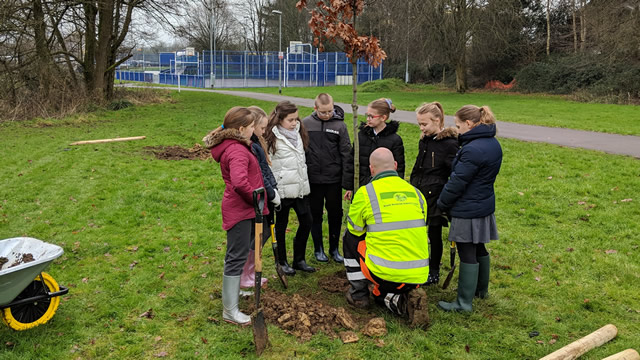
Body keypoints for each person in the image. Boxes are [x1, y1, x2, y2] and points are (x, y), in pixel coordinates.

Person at [342, 148, 430, 327]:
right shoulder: (416, 193)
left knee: (349, 238)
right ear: (395, 166)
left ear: (372, 169)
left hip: (384, 273)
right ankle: (401, 301)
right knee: (382, 294)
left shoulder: (366, 193)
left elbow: (355, 230)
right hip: (418, 274)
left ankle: (359, 295)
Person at [203, 106, 267, 326]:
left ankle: (233, 297)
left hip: (244, 208)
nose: (253, 130)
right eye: (251, 127)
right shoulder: (237, 150)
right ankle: (230, 311)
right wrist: (255, 199)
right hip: (240, 209)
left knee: (237, 253)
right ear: (241, 129)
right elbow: (240, 182)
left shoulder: (234, 145)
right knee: (236, 256)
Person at [436, 105, 502, 312]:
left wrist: (442, 203)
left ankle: (463, 303)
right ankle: (481, 291)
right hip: (483, 204)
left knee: (467, 251)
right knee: (480, 247)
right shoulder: (492, 143)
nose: (457, 130)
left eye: (458, 126)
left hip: (467, 207)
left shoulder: (472, 149)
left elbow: (457, 182)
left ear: (469, 124)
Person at [409, 102, 459, 286]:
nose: (421, 128)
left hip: (437, 196)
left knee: (435, 234)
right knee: (418, 232)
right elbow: (418, 165)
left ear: (437, 120)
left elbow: (454, 172)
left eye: (424, 124)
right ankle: (418, 264)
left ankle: (434, 269)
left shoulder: (450, 144)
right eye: (419, 124)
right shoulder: (424, 140)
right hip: (419, 193)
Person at [264, 101, 315, 275]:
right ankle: (282, 262)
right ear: (279, 119)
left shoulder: (299, 132)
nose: (294, 123)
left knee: (307, 221)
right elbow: (268, 164)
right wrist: (273, 189)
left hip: (300, 188)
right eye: (290, 120)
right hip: (282, 191)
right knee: (280, 226)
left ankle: (299, 259)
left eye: (296, 118)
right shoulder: (271, 136)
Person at [302, 93, 351, 263]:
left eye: (330, 111)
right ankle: (318, 249)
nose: (327, 114)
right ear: (315, 108)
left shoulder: (340, 126)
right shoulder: (305, 124)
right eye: (323, 112)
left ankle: (334, 249)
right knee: (315, 214)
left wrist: (347, 182)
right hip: (313, 179)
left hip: (333, 180)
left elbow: (346, 154)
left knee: (335, 214)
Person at [238, 106, 282, 293]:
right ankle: (243, 274)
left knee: (260, 235)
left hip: (265, 195)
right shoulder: (252, 147)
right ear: (252, 125)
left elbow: (266, 171)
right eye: (262, 128)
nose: (264, 132)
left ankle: (248, 272)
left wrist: (273, 189)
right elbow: (258, 175)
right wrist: (271, 193)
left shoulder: (257, 143)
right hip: (258, 197)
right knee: (254, 237)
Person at [344, 98, 404, 201]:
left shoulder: (395, 140)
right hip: (362, 187)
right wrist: (350, 187)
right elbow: (352, 160)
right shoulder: (361, 136)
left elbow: (399, 167)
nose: (368, 119)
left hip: (384, 189)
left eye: (372, 116)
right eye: (367, 115)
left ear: (383, 117)